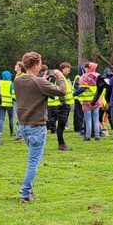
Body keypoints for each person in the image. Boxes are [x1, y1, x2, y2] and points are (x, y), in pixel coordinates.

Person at [15, 51, 66, 202]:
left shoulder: (18, 80)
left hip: (23, 125)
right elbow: (61, 91)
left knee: (33, 158)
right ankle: (25, 193)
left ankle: (28, 190)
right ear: (37, 64)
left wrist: (41, 80)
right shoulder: (39, 82)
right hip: (36, 126)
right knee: (34, 162)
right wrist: (60, 77)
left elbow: (32, 89)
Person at [46, 62, 74, 151]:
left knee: (62, 124)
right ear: (62, 69)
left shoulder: (65, 78)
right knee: (61, 125)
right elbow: (56, 90)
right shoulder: (58, 78)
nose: (69, 69)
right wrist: (63, 103)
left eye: (69, 68)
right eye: (67, 68)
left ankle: (61, 143)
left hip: (65, 105)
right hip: (61, 105)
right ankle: (61, 143)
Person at [78, 63, 103, 141]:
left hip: (86, 101)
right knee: (96, 119)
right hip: (96, 100)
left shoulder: (84, 77)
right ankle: (97, 135)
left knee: (88, 119)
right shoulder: (98, 76)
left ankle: (88, 136)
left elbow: (81, 89)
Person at [0, 70, 16, 138]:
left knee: (1, 118)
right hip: (9, 103)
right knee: (11, 118)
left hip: (1, 103)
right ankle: (12, 132)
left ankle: (0, 132)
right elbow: (13, 94)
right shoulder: (11, 84)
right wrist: (14, 100)